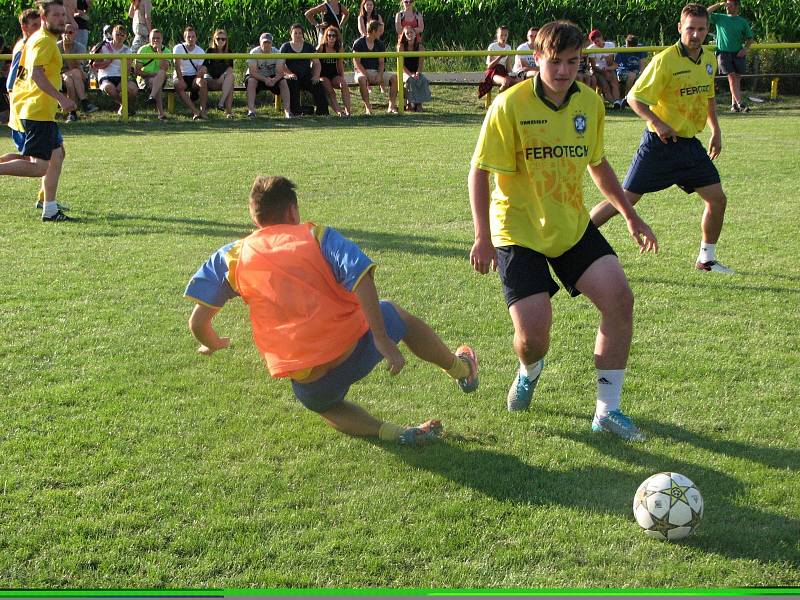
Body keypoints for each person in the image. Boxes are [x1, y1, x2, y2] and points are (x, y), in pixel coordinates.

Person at [185, 175, 480, 446]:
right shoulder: (316, 236)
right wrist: (380, 337)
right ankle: (461, 370)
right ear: (292, 211)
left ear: (255, 217)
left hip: (310, 383)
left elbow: (198, 322)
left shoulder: (232, 256)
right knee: (396, 315)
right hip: (352, 350)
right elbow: (362, 274)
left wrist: (212, 343)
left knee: (325, 407)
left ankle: (396, 433)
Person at [468, 20, 658, 440]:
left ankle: (607, 411)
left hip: (571, 226)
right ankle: (529, 370)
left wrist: (629, 214)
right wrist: (482, 235)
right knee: (534, 337)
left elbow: (598, 164)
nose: (563, 70)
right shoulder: (509, 105)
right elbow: (478, 172)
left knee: (620, 300)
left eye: (572, 61)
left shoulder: (590, 104)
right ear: (536, 58)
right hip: (517, 231)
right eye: (555, 61)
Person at [590, 3, 733, 274]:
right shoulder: (665, 60)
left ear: (707, 31)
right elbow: (634, 98)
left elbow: (709, 97)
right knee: (623, 200)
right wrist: (657, 122)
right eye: (690, 28)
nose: (696, 34)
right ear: (680, 28)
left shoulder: (708, 59)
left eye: (701, 29)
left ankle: (706, 259)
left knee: (717, 199)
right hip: (660, 146)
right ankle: (570, 244)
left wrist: (716, 130)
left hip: (690, 146)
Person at [1, 0, 77, 222]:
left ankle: (49, 208)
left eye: (63, 15)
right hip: (36, 111)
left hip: (36, 110)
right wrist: (62, 98)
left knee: (57, 155)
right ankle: (48, 206)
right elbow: (36, 75)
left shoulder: (41, 39)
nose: (61, 19)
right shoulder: (44, 41)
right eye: (55, 15)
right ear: (44, 18)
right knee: (38, 167)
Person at [708, 0, 754, 112]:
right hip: (723, 53)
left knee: (736, 79)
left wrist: (745, 49)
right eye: (727, 4)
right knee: (732, 77)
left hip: (737, 53)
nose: (727, 7)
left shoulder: (742, 21)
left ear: (737, 6)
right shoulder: (719, 18)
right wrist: (719, 4)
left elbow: (750, 38)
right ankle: (740, 103)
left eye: (730, 5)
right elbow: (705, 12)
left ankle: (734, 105)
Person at [279, 24, 329, 116]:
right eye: (295, 33)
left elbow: (317, 63)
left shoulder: (308, 47)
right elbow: (281, 65)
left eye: (300, 33)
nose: (298, 35)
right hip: (292, 76)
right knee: (292, 83)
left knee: (318, 84)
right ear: (291, 34)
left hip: (306, 75)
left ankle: (323, 112)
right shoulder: (285, 47)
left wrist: (316, 76)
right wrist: (289, 74)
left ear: (303, 34)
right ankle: (296, 112)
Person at [353, 20, 398, 114]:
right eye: (379, 31)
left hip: (377, 72)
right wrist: (367, 76)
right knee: (362, 79)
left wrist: (380, 75)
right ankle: (368, 108)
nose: (381, 33)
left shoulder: (380, 44)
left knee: (394, 78)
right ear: (373, 31)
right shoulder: (359, 43)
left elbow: (381, 63)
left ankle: (391, 107)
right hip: (361, 72)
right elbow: (357, 63)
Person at [91, 24, 138, 116]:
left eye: (122, 35)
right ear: (112, 34)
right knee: (109, 88)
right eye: (117, 34)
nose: (119, 37)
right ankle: (126, 106)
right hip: (106, 76)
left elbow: (128, 69)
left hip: (121, 76)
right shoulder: (104, 47)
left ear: (125, 37)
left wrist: (123, 81)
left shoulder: (127, 50)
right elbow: (95, 65)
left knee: (133, 89)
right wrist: (107, 62)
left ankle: (123, 108)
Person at [57, 21, 98, 121]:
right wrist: (66, 50)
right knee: (70, 77)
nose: (67, 35)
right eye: (65, 32)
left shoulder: (80, 47)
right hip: (61, 76)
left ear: (75, 34)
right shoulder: (56, 47)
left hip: (78, 75)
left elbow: (75, 67)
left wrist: (67, 51)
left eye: (70, 32)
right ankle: (84, 102)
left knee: (73, 76)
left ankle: (72, 113)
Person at [245, 32, 292, 118]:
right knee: (251, 81)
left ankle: (287, 111)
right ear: (260, 43)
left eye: (268, 42)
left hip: (272, 77)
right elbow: (253, 72)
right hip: (257, 77)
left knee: (283, 82)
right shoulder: (254, 52)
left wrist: (274, 80)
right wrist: (265, 79)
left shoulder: (277, 53)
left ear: (272, 43)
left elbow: (280, 72)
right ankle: (251, 110)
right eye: (264, 42)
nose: (266, 45)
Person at [173, 26, 208, 120]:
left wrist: (201, 72)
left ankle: (203, 111)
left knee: (203, 82)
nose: (191, 39)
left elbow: (200, 69)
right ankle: (195, 111)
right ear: (185, 38)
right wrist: (180, 79)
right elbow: (177, 66)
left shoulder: (200, 51)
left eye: (193, 36)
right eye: (189, 37)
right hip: (181, 75)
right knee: (178, 85)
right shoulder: (178, 48)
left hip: (194, 76)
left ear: (196, 38)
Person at [134, 27, 168, 119]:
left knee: (160, 74)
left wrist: (160, 52)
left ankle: (152, 97)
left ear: (162, 39)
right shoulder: (142, 50)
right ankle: (161, 113)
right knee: (156, 83)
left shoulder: (166, 51)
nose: (156, 40)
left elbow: (164, 68)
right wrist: (150, 74)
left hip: (160, 77)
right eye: (153, 38)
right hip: (145, 78)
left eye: (158, 38)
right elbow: (137, 71)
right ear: (149, 39)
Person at [317, 26, 351, 117]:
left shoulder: (339, 48)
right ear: (326, 36)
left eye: (334, 36)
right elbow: (314, 61)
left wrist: (342, 77)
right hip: (322, 74)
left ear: (337, 37)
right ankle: (339, 112)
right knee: (331, 92)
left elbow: (340, 65)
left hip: (334, 74)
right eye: (329, 35)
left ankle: (348, 111)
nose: (331, 38)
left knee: (344, 84)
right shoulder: (321, 47)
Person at [587, 29, 623, 108]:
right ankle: (615, 103)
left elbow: (611, 62)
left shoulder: (610, 45)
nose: (597, 43)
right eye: (594, 42)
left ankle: (617, 102)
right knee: (605, 86)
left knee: (614, 84)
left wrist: (607, 67)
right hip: (597, 71)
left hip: (609, 68)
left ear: (601, 37)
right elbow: (593, 66)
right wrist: (603, 72)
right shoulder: (591, 48)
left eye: (598, 41)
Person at [397, 25, 430, 111]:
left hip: (416, 71)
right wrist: (410, 74)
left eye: (411, 32)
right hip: (404, 72)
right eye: (407, 33)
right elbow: (401, 65)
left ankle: (419, 104)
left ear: (415, 34)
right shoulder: (401, 47)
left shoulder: (420, 47)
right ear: (404, 35)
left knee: (423, 79)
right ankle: (409, 103)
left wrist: (417, 73)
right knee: (410, 80)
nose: (410, 34)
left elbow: (420, 64)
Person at [204, 28, 235, 118]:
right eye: (218, 38)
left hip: (223, 80)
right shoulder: (209, 51)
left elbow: (230, 68)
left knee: (231, 79)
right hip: (210, 79)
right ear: (214, 39)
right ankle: (222, 108)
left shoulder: (229, 52)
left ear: (226, 40)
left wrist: (223, 75)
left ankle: (224, 107)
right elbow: (205, 66)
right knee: (230, 82)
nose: (220, 41)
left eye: (223, 39)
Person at [483, 26, 522, 94]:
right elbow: (489, 66)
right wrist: (500, 57)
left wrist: (512, 74)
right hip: (493, 71)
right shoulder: (492, 46)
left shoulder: (508, 47)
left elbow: (508, 66)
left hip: (503, 70)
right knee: (505, 82)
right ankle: (498, 100)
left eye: (505, 35)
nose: (503, 37)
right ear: (497, 35)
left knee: (519, 81)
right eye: (501, 35)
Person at [614, 34, 647, 105]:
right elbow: (618, 66)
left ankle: (642, 100)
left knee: (642, 76)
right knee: (631, 75)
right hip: (622, 72)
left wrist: (641, 73)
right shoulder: (621, 50)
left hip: (636, 72)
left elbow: (642, 64)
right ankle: (627, 98)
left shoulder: (640, 49)